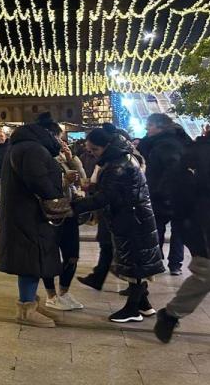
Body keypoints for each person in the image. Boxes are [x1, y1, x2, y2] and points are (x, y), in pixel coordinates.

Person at [73, 128, 165, 323]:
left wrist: (75, 206)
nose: (92, 153)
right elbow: (115, 190)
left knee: (137, 264)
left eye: (94, 149)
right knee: (135, 260)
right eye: (89, 150)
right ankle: (144, 305)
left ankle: (133, 309)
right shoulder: (123, 158)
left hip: (132, 220)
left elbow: (107, 197)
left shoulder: (119, 165)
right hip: (133, 218)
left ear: (107, 145)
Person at [0, 113, 65, 328]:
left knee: (31, 259)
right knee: (30, 260)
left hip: (24, 213)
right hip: (29, 215)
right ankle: (26, 308)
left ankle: (31, 302)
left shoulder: (23, 147)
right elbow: (39, 181)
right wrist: (57, 193)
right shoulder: (32, 149)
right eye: (58, 136)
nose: (60, 141)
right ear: (48, 133)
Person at [155, 100, 210, 342]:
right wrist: (188, 220)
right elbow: (178, 189)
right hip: (206, 222)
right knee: (209, 272)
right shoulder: (201, 151)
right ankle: (171, 314)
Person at [137, 113, 192, 276]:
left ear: (160, 127)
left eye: (150, 125)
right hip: (175, 192)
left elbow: (172, 168)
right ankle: (172, 263)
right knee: (174, 229)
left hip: (167, 193)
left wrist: (162, 191)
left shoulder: (166, 144)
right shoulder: (166, 141)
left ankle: (166, 262)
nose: (147, 128)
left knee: (159, 228)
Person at [42, 138, 88, 312]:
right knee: (50, 255)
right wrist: (64, 181)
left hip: (68, 211)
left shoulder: (63, 158)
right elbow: (43, 187)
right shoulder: (41, 159)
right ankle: (51, 296)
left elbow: (83, 180)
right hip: (50, 213)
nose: (62, 143)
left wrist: (71, 159)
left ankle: (64, 292)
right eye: (57, 139)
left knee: (72, 255)